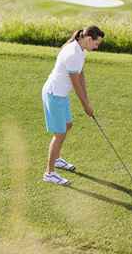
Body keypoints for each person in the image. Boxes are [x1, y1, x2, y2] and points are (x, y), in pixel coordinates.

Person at [42, 26, 105, 186]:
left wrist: (87, 100)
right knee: (60, 134)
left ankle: (56, 160)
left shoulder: (81, 51)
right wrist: (85, 106)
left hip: (61, 95)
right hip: (54, 94)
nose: (97, 47)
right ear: (89, 39)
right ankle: (49, 173)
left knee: (67, 125)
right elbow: (76, 85)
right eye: (96, 44)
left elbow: (81, 75)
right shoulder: (72, 54)